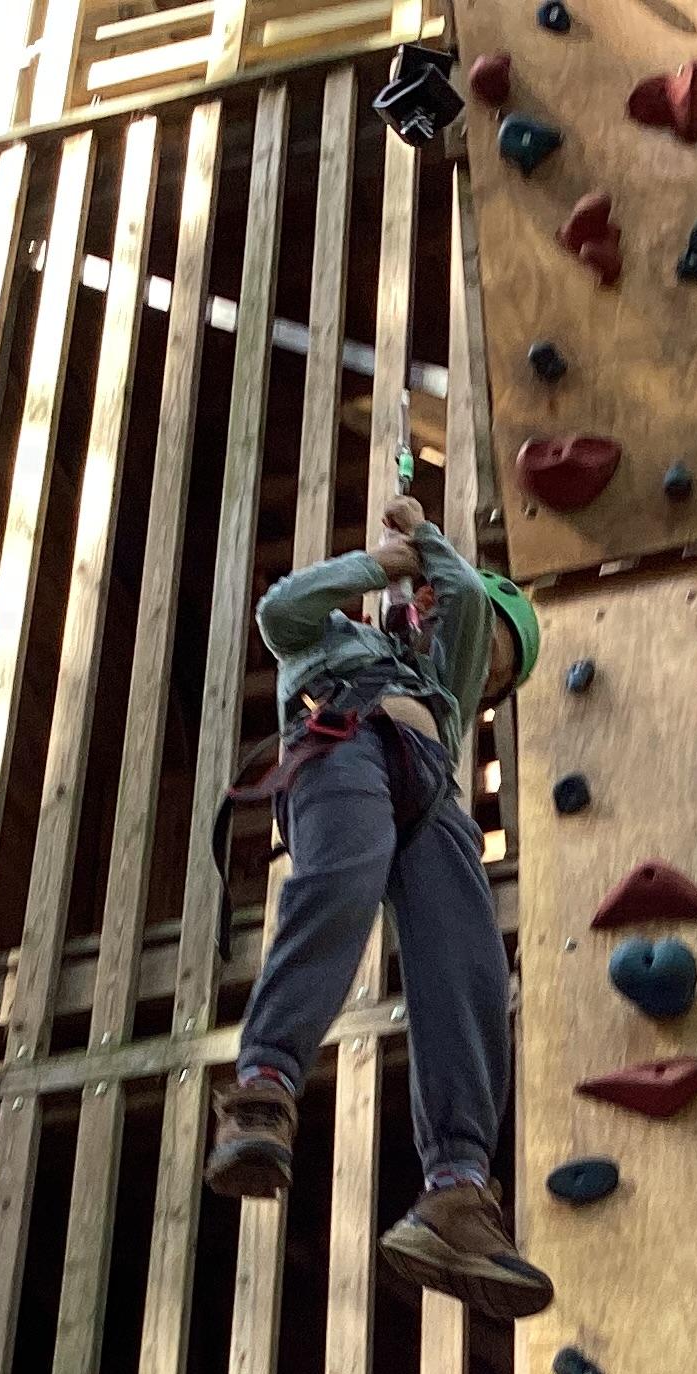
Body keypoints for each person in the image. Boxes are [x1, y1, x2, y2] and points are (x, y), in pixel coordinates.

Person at [205, 494, 554, 1322]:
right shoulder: (332, 637)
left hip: (427, 785)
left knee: (470, 962)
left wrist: (429, 545)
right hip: (341, 745)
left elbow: (466, 599)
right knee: (343, 878)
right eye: (491, 654)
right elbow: (280, 611)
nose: (484, 672)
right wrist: (385, 564)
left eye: (497, 674)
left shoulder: (444, 685)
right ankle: (262, 1089)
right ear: (421, 607)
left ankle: (458, 1191)